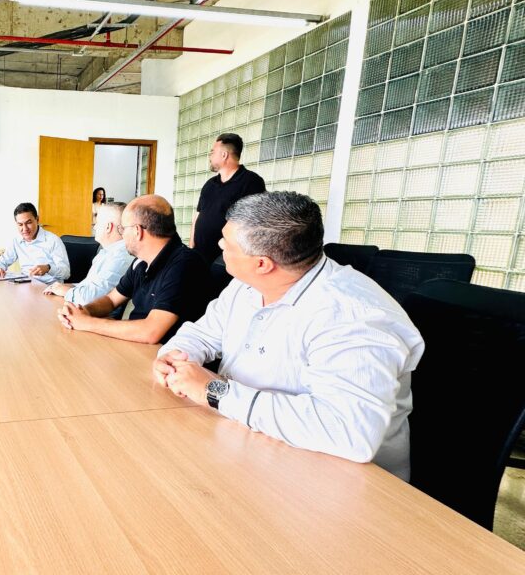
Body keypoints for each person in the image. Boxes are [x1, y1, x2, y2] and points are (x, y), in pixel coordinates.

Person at [154, 192, 423, 480]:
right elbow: (202, 333)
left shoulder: (354, 315)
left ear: (262, 263)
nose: (218, 245)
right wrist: (177, 356)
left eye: (227, 243)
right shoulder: (247, 286)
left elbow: (348, 432)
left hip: (339, 483)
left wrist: (214, 391)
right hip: (252, 447)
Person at [57, 195, 208, 344]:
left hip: (166, 357)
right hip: (138, 347)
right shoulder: (141, 262)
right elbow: (111, 300)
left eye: (123, 228)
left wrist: (87, 323)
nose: (122, 235)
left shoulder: (184, 265)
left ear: (137, 231)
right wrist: (83, 311)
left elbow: (151, 331)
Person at [190, 133, 266, 265]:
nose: (210, 156)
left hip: (226, 259)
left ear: (224, 155)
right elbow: (198, 216)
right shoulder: (210, 184)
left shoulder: (251, 182)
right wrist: (191, 246)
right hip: (200, 254)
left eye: (213, 152)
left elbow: (253, 221)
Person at [44, 201, 133, 309]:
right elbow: (91, 286)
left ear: (108, 227)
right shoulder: (107, 252)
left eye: (97, 223)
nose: (94, 227)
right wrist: (64, 287)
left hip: (100, 318)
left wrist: (66, 291)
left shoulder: (121, 258)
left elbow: (90, 298)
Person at [0, 202, 70, 283]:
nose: (25, 229)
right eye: (20, 224)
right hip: (25, 286)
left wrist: (48, 268)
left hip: (49, 288)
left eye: (28, 223)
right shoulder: (16, 241)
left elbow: (66, 273)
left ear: (37, 220)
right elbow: (3, 260)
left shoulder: (53, 240)